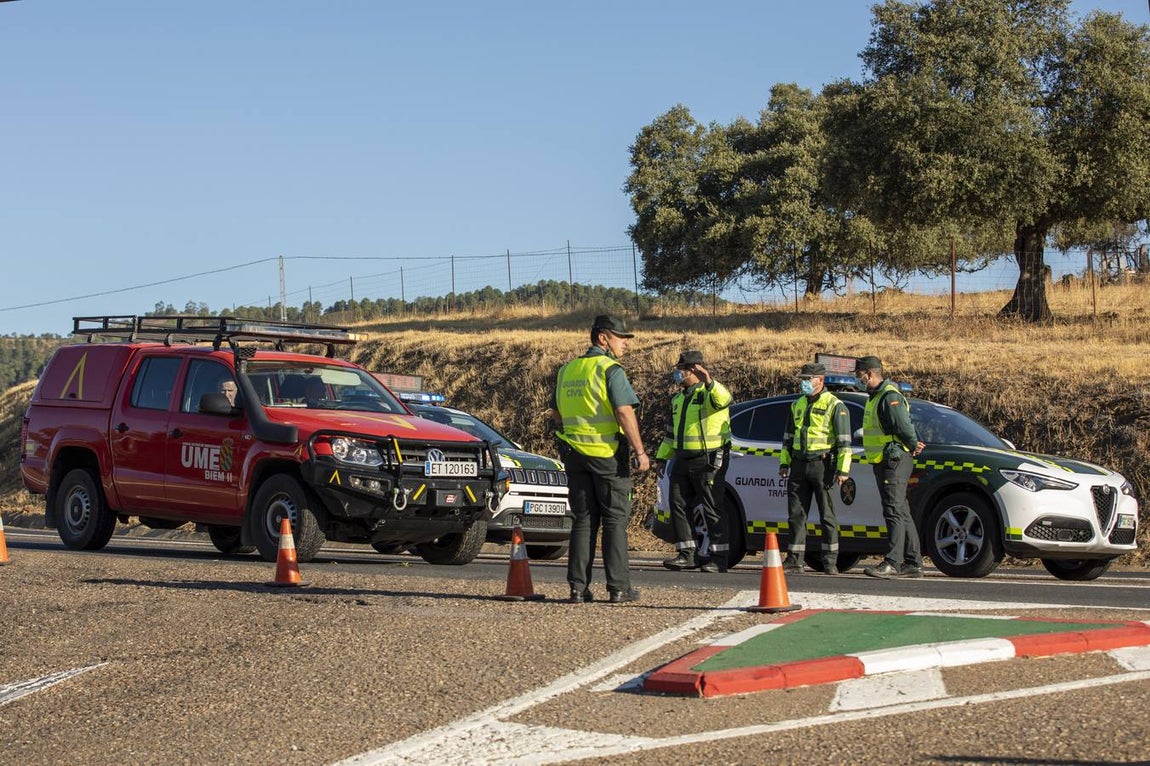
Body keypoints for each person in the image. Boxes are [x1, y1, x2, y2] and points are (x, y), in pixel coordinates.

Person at [550, 314, 649, 604]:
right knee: (615, 520)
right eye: (621, 338)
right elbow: (623, 411)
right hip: (607, 455)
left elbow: (556, 413)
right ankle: (619, 587)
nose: (626, 344)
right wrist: (640, 452)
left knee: (583, 520)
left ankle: (578, 588)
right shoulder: (609, 369)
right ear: (603, 338)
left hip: (576, 456)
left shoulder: (567, 370)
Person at [656, 350, 733, 573]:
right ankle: (687, 554)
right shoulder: (678, 399)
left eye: (681, 370)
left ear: (693, 371)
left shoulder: (709, 393)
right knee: (678, 504)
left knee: (712, 508)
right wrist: (662, 458)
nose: (677, 374)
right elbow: (670, 434)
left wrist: (708, 379)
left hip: (708, 459)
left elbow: (725, 399)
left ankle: (719, 558)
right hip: (682, 458)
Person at [855, 355, 926, 579]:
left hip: (893, 460)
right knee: (901, 510)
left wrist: (914, 444)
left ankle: (893, 562)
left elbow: (903, 425)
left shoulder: (888, 396)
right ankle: (913, 562)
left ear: (870, 374)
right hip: (884, 460)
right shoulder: (875, 397)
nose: (859, 379)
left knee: (893, 510)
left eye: (860, 375)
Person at [778, 362, 852, 575]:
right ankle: (794, 560)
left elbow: (844, 442)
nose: (804, 383)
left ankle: (829, 561)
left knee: (827, 515)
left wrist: (842, 470)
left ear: (821, 380)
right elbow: (788, 438)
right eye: (802, 379)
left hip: (823, 465)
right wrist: (784, 463)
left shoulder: (835, 405)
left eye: (808, 379)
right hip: (799, 465)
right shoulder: (797, 404)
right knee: (796, 515)